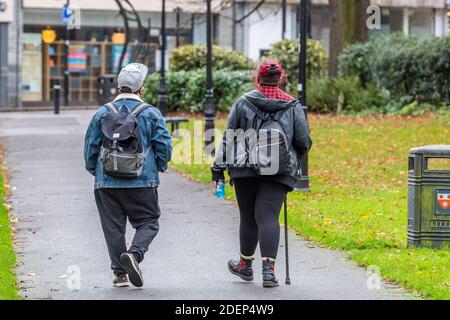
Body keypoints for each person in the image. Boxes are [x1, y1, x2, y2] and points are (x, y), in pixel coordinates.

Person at [211, 59, 312, 288]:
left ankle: (245, 266)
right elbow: (303, 141)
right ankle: (269, 271)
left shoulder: (243, 102)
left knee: (248, 217)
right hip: (278, 169)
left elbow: (229, 136)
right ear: (281, 78)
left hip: (244, 168)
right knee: (268, 217)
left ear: (258, 78)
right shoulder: (293, 105)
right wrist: (292, 158)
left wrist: (218, 168)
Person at [84, 63, 172, 288]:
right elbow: (163, 145)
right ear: (141, 88)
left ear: (118, 87)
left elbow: (90, 149)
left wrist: (97, 172)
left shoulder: (102, 113)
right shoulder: (151, 113)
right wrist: (160, 166)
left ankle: (120, 274)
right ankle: (135, 253)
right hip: (142, 180)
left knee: (113, 228)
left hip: (106, 183)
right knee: (149, 222)